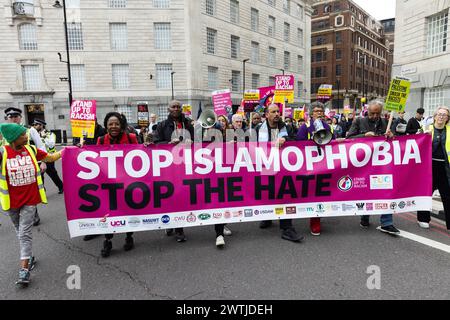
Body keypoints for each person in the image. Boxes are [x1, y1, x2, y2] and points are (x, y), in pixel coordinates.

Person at [0, 123, 63, 287]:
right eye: (23, 135)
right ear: (14, 138)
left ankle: (24, 270)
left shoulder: (32, 150)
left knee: (25, 233)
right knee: (19, 231)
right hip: (11, 202)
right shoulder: (3, 153)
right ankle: (28, 257)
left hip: (30, 199)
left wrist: (67, 151)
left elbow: (50, 157)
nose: (27, 136)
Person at [346, 100, 400, 235]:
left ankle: (387, 223)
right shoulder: (359, 121)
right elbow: (349, 138)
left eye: (378, 113)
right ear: (367, 111)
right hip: (363, 165)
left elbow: (396, 141)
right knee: (366, 191)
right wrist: (364, 136)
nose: (375, 116)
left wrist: (392, 136)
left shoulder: (387, 123)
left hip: (382, 165)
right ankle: (364, 217)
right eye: (372, 113)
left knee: (386, 190)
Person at [254, 104, 304, 242]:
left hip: (283, 167)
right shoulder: (258, 128)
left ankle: (287, 228)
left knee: (285, 193)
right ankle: (267, 217)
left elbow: (297, 141)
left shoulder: (286, 127)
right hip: (265, 164)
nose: (277, 114)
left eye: (278, 111)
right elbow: (248, 144)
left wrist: (286, 139)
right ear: (267, 115)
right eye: (273, 111)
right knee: (267, 191)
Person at [96, 112, 139, 258]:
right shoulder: (101, 140)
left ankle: (129, 236)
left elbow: (140, 156)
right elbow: (95, 161)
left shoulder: (131, 138)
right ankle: (108, 240)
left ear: (121, 126)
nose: (113, 126)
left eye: (116, 124)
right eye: (110, 124)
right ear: (106, 126)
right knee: (109, 212)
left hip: (128, 182)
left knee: (127, 209)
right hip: (110, 184)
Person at [153, 100, 194, 243]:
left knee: (180, 196)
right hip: (168, 167)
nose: (176, 109)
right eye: (173, 107)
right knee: (169, 195)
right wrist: (168, 144)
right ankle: (170, 223)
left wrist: (192, 142)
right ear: (168, 109)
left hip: (184, 165)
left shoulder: (189, 124)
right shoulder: (162, 125)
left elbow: (197, 141)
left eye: (178, 107)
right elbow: (156, 143)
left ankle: (179, 229)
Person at [296, 102, 335, 236]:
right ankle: (313, 218)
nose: (319, 113)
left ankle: (316, 218)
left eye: (320, 111)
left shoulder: (328, 126)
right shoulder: (305, 127)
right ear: (311, 113)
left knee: (320, 192)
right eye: (316, 111)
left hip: (324, 163)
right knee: (311, 191)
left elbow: (334, 144)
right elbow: (298, 145)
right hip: (309, 164)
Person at [3, 108, 46, 226]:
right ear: (6, 118)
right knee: (13, 195)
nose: (14, 118)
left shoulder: (29, 130)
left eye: (16, 116)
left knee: (31, 191)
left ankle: (33, 215)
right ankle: (20, 218)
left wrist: (43, 162)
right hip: (10, 170)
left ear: (20, 117)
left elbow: (40, 145)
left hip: (29, 166)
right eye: (10, 116)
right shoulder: (3, 132)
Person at [416, 106, 450, 230]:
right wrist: (423, 136)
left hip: (445, 168)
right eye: (439, 114)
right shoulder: (425, 128)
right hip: (428, 167)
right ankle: (423, 218)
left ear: (447, 118)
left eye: (444, 115)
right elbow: (414, 143)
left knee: (447, 195)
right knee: (426, 192)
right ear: (434, 116)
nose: (441, 116)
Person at [32, 119, 64, 194]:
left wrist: (44, 137)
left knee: (52, 174)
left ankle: (61, 186)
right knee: (40, 175)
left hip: (49, 157)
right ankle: (42, 191)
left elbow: (51, 144)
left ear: (41, 125)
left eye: (36, 125)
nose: (35, 126)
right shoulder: (33, 134)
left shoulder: (50, 134)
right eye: (34, 125)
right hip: (38, 157)